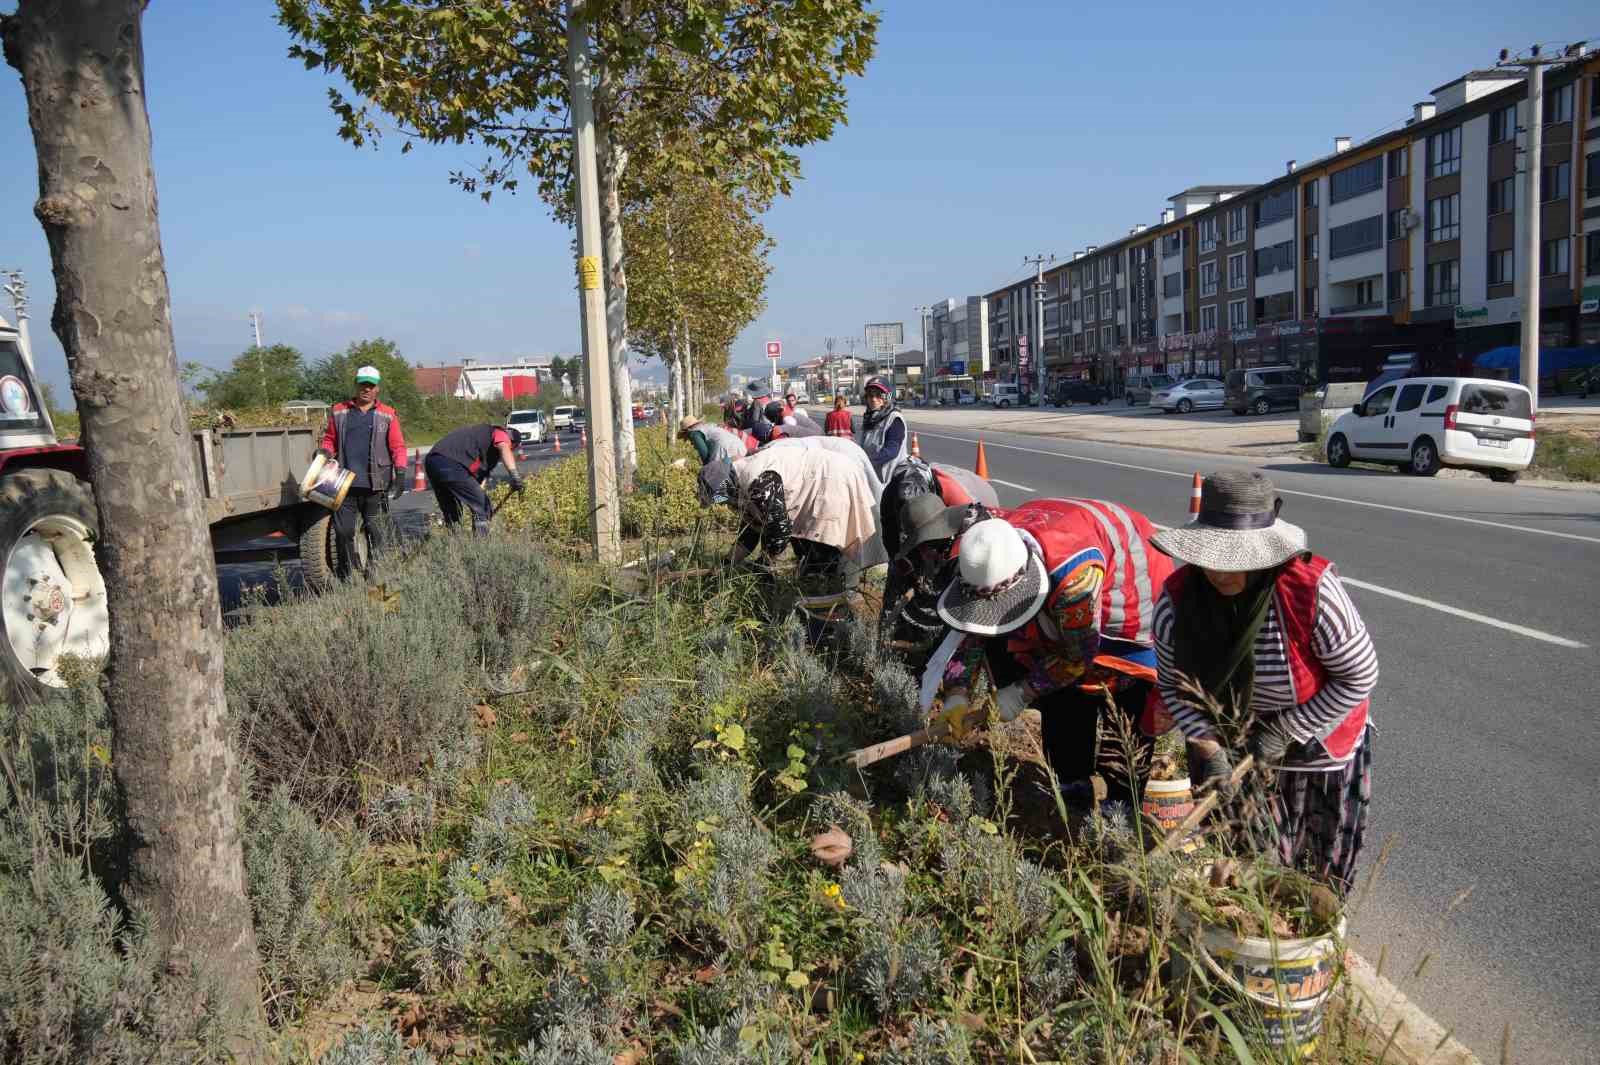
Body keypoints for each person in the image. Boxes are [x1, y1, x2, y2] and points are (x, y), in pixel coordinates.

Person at [1148, 470, 1377, 893]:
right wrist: (1209, 746)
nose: (1220, 572)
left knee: (1316, 867)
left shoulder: (1311, 592)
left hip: (1318, 742)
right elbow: (1175, 687)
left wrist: (1285, 731)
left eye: (1237, 559)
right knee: (1247, 858)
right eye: (1212, 557)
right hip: (1232, 741)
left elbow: (1359, 674)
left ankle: (1315, 946)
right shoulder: (1178, 601)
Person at [927, 498, 1173, 806]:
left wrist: (1021, 692)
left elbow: (1077, 657)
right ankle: (1072, 787)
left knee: (1124, 705)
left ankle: (1122, 803)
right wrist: (957, 694)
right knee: (1063, 700)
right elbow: (973, 632)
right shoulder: (978, 556)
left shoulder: (1075, 583)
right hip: (1068, 577)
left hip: (1129, 598)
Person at [697, 445, 880, 595]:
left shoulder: (759, 483)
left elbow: (780, 531)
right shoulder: (742, 482)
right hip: (815, 481)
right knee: (809, 553)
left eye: (720, 499)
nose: (724, 504)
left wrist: (765, 562)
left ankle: (839, 603)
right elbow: (750, 533)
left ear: (725, 488)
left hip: (832, 480)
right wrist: (726, 565)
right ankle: (818, 592)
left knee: (829, 546)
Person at [318, 364, 409, 578]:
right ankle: (347, 574)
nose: (366, 389)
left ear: (377, 389)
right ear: (356, 385)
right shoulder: (340, 411)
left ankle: (374, 571)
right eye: (362, 384)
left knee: (375, 531)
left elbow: (398, 446)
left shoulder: (387, 414)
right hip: (343, 484)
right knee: (343, 531)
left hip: (374, 486)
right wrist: (324, 451)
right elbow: (330, 439)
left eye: (370, 385)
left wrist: (401, 472)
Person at [424, 423, 525, 535]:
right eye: (512, 448)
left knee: (453, 513)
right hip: (451, 463)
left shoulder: (487, 451)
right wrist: (515, 476)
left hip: (433, 462)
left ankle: (455, 545)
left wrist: (477, 500)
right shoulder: (501, 433)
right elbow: (504, 447)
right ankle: (481, 546)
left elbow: (478, 481)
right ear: (512, 444)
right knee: (482, 505)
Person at [856, 377, 908, 483]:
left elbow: (891, 451)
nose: (874, 399)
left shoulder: (894, 418)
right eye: (870, 395)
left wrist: (865, 462)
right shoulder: (870, 419)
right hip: (871, 476)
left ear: (887, 397)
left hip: (889, 482)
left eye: (878, 395)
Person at [678, 414, 747, 466]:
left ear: (687, 431)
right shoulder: (708, 426)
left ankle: (725, 485)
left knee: (716, 474)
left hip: (726, 451)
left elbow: (704, 455)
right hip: (740, 447)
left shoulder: (694, 434)